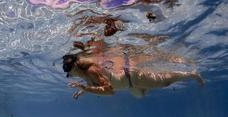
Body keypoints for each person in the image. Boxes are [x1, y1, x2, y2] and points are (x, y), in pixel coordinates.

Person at [63, 38, 204, 99]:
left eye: (68, 70)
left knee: (164, 82)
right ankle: (146, 83)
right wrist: (83, 91)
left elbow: (109, 91)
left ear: (75, 66)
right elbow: (94, 84)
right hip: (129, 83)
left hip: (132, 77)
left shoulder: (91, 70)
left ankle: (191, 74)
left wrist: (85, 89)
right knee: (140, 95)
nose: (68, 74)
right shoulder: (86, 75)